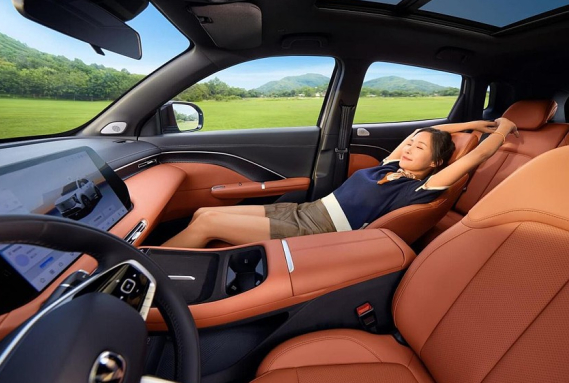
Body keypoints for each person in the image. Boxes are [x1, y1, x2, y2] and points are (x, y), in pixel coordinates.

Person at [162, 117, 518, 248]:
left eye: (419, 148)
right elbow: (423, 131)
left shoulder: (422, 187)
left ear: (437, 163)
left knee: (208, 222)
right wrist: (472, 124)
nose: (409, 148)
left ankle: (148, 272)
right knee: (203, 212)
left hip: (318, 231)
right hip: (303, 211)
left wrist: (502, 128)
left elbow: (476, 157)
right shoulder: (390, 165)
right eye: (410, 144)